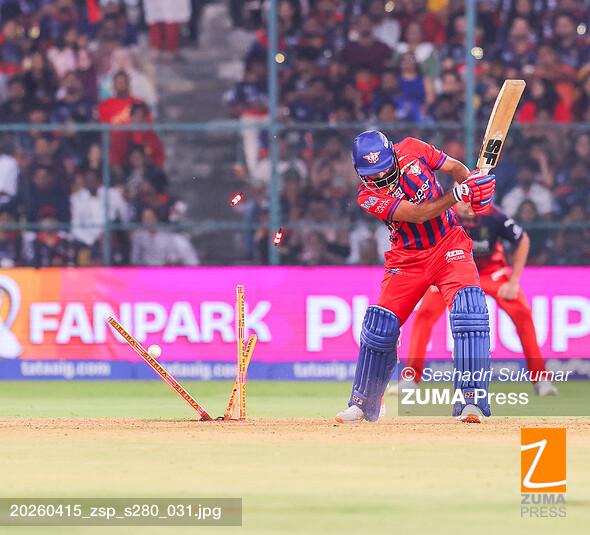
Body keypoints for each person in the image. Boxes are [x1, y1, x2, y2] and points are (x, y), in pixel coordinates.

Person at [335, 130, 496, 424]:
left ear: (393, 156)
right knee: (380, 326)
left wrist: (472, 194)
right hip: (407, 258)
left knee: (470, 311)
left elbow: (457, 168)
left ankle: (471, 401)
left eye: (384, 168)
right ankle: (364, 403)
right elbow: (419, 214)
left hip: (449, 243)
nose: (380, 176)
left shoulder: (413, 148)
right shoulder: (367, 197)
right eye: (372, 173)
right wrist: (456, 195)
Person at [388, 203, 558, 398]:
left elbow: (522, 239)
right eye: (462, 199)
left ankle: (541, 379)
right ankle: (410, 379)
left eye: (471, 199)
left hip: (490, 273)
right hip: (450, 271)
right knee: (425, 314)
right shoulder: (441, 213)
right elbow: (425, 242)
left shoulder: (494, 214)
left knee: (522, 313)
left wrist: (514, 282)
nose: (467, 205)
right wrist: (431, 274)